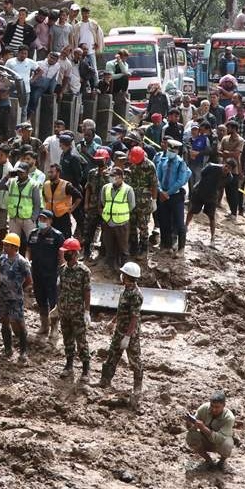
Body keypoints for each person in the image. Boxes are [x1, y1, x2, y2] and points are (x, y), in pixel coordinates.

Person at [97, 261, 144, 408]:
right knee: (112, 356)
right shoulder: (126, 290)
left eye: (123, 274)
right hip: (120, 330)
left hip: (130, 333)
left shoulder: (136, 295)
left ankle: (137, 387)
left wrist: (128, 336)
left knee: (134, 360)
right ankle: (105, 381)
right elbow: (121, 310)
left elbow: (134, 317)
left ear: (128, 277)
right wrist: (113, 321)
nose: (121, 276)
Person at [55, 238, 91, 380]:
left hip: (77, 312)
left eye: (67, 252)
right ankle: (69, 366)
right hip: (65, 311)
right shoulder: (62, 270)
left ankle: (85, 370)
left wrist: (87, 311)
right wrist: (57, 307)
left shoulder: (84, 271)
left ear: (75, 253)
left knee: (81, 341)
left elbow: (87, 291)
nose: (65, 255)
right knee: (67, 339)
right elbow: (60, 289)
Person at [26, 210, 63, 336]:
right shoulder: (33, 234)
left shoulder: (57, 235)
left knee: (53, 301)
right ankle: (44, 325)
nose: (41, 221)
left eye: (44, 219)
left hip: (51, 274)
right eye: (40, 219)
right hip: (37, 272)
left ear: (50, 221)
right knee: (40, 300)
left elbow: (61, 255)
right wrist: (27, 259)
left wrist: (62, 272)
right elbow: (28, 249)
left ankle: (54, 328)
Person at [0, 232, 34, 362]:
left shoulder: (22, 262)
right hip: (3, 296)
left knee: (19, 323)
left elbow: (29, 280)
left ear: (14, 247)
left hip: (16, 298)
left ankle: (23, 351)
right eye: (4, 244)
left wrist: (19, 289)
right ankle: (8, 348)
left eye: (7, 245)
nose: (4, 247)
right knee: (4, 321)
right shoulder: (2, 258)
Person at [185, 392, 235, 473]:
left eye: (217, 407)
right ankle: (208, 461)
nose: (214, 409)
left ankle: (222, 462)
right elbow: (191, 428)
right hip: (205, 440)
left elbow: (220, 438)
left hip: (219, 443)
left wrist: (203, 428)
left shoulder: (229, 418)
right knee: (191, 436)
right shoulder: (204, 408)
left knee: (228, 444)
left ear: (224, 405)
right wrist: (189, 422)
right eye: (212, 406)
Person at [155, 140, 192, 251]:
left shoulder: (181, 163)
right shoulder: (163, 161)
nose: (171, 152)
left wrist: (168, 192)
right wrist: (161, 191)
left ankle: (181, 248)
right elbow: (157, 178)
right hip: (163, 195)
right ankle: (166, 245)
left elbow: (180, 181)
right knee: (164, 221)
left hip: (175, 196)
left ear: (177, 151)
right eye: (169, 150)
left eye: (173, 150)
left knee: (179, 223)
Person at [125, 146, 157, 258]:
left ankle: (144, 248)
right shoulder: (130, 163)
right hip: (131, 199)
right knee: (131, 224)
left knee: (143, 226)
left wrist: (154, 200)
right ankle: (133, 247)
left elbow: (154, 185)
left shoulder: (150, 166)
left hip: (144, 202)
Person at [100, 167, 135, 271]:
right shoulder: (105, 188)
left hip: (121, 223)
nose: (111, 178)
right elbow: (103, 202)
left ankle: (124, 271)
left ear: (120, 177)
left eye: (113, 176)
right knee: (109, 247)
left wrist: (119, 213)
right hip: (108, 222)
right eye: (110, 176)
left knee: (123, 248)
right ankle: (111, 269)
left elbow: (131, 205)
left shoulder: (128, 189)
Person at [0, 163, 42, 242]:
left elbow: (37, 204)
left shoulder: (33, 184)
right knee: (13, 242)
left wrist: (33, 218)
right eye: (18, 172)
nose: (20, 174)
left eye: (22, 172)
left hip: (28, 219)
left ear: (27, 173)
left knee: (32, 241)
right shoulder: (12, 182)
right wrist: (7, 177)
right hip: (14, 218)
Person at [187, 157, 224, 245]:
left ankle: (212, 238)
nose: (226, 169)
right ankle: (185, 227)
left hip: (211, 197)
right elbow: (202, 174)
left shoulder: (229, 177)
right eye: (226, 166)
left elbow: (221, 187)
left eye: (229, 168)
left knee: (212, 217)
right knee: (192, 211)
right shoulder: (212, 166)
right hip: (200, 192)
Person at [42, 163, 82, 239]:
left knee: (65, 238)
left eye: (52, 172)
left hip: (63, 217)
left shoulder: (66, 185)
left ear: (58, 173)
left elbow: (79, 197)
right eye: (49, 172)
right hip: (50, 217)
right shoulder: (46, 184)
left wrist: (72, 208)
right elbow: (44, 195)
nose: (50, 174)